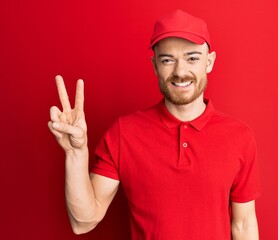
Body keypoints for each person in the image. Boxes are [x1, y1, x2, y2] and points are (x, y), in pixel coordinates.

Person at [48, 9, 261, 240]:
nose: (180, 71)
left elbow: (243, 224)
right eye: (168, 60)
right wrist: (76, 154)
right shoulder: (125, 133)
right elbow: (83, 221)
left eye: (192, 58)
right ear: (154, 66)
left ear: (209, 62)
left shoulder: (240, 137)